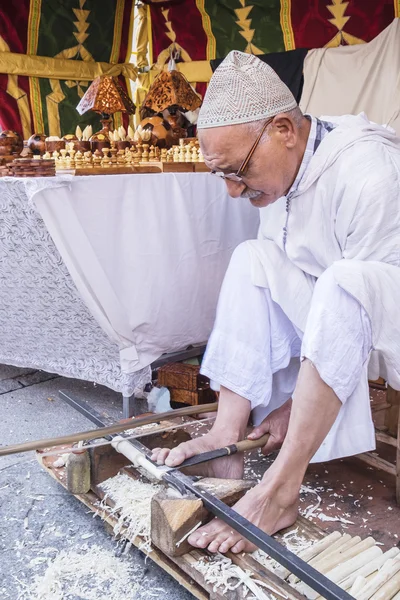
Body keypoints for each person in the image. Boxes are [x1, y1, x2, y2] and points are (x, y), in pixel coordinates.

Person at [152, 50, 400, 555]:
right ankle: (226, 436)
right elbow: (310, 308)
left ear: (284, 129)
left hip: (388, 326)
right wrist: (287, 405)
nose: (230, 190)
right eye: (219, 173)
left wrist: (298, 406)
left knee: (343, 281)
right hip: (341, 322)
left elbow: (368, 325)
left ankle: (281, 491)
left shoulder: (369, 172)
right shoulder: (280, 174)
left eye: (237, 170)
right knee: (251, 257)